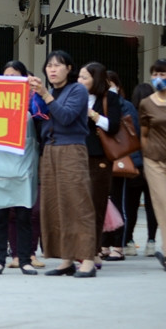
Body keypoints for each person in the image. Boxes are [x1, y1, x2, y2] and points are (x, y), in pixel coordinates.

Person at [29, 50, 97, 278]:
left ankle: (87, 259)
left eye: (58, 65)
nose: (53, 69)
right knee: (55, 206)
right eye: (49, 66)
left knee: (78, 205)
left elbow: (66, 117)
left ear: (69, 68)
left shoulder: (77, 89)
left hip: (71, 150)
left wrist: (46, 96)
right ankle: (66, 259)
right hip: (49, 150)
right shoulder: (50, 92)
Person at [0, 60, 40, 275]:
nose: (11, 80)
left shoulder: (33, 101)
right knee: (0, 216)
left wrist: (35, 91)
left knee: (24, 216)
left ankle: (24, 260)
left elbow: (44, 115)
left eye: (15, 76)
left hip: (24, 168)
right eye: (7, 76)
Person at [77, 61, 121, 266]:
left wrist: (92, 114)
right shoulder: (77, 96)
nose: (80, 81)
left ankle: (93, 251)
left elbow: (112, 126)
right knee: (78, 207)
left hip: (100, 158)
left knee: (96, 206)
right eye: (79, 77)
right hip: (77, 156)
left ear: (96, 79)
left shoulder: (109, 98)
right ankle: (83, 250)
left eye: (84, 77)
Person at [102, 69, 136, 261]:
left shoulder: (126, 105)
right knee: (103, 203)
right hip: (101, 160)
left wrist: (114, 99)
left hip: (118, 159)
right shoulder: (98, 103)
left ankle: (118, 246)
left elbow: (132, 132)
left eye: (110, 84)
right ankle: (104, 244)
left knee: (117, 202)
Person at [138, 59, 166, 271]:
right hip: (154, 160)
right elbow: (144, 133)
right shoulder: (146, 103)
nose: (159, 78)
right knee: (162, 204)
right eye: (155, 74)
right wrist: (147, 154)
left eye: (163, 74)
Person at [130, 82, 159, 257]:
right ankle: (151, 241)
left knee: (131, 207)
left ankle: (129, 242)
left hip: (134, 166)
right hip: (153, 164)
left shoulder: (129, 114)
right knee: (152, 206)